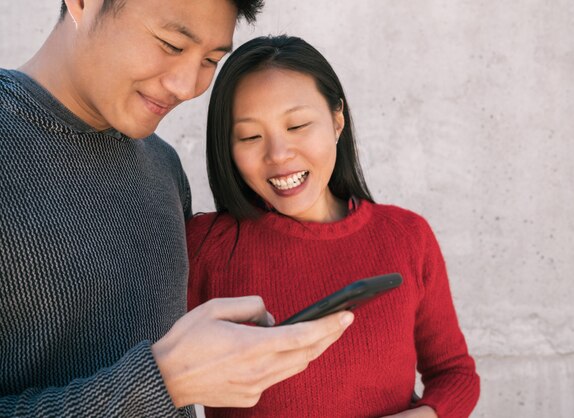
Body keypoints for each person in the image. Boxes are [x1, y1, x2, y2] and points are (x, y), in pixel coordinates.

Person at [0, 2, 354, 416]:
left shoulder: (163, 166)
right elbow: (169, 381)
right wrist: (165, 382)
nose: (187, 87)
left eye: (209, 60)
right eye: (170, 44)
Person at [187, 35, 481, 418]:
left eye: (297, 126)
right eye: (250, 136)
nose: (278, 155)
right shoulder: (207, 246)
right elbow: (156, 378)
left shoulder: (407, 236)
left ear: (337, 120)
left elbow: (455, 373)